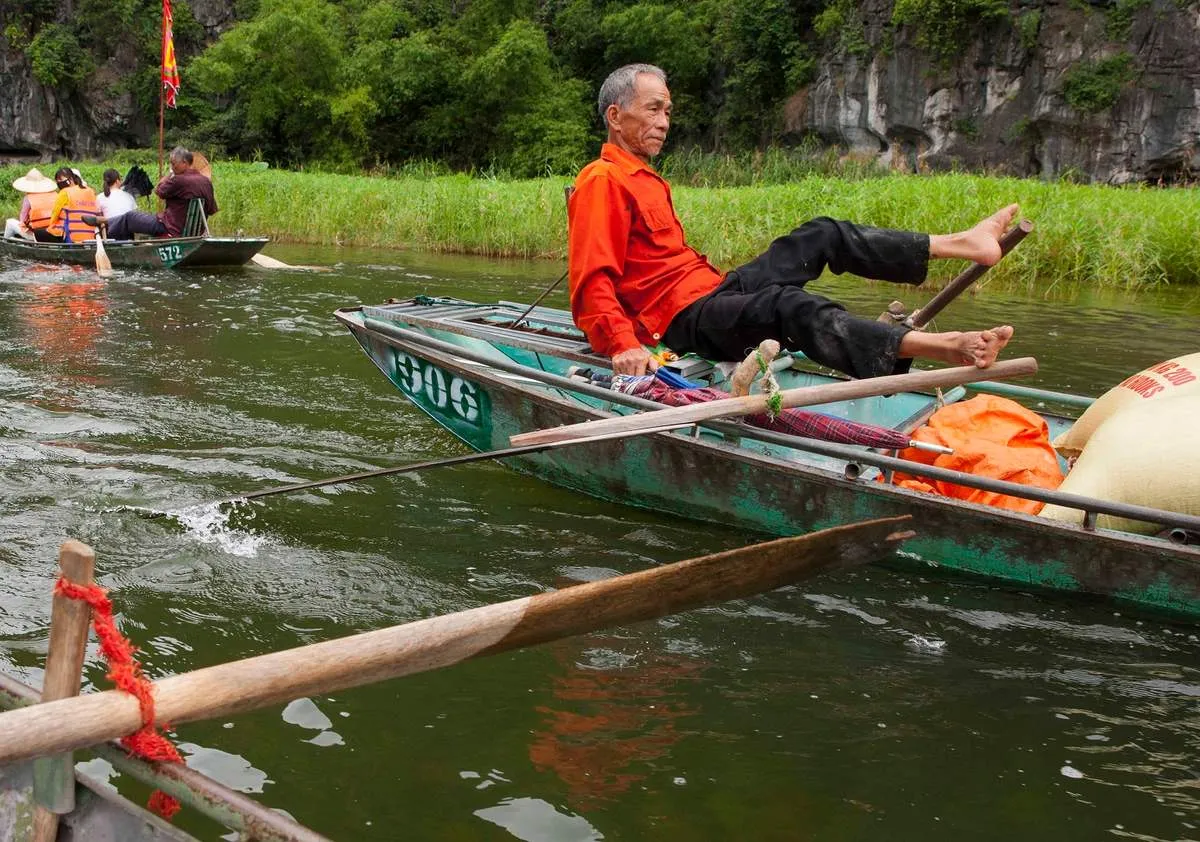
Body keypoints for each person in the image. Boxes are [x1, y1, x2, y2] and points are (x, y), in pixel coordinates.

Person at [568, 63, 1017, 379]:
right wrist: (623, 344)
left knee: (821, 234)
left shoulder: (644, 178)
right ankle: (946, 346)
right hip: (678, 321)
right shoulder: (602, 180)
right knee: (785, 305)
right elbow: (591, 282)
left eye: (667, 111)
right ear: (615, 116)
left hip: (711, 292)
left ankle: (964, 242)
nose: (664, 122)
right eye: (653, 110)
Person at [103, 147, 217, 240]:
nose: (172, 167)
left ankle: (105, 223)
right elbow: (211, 210)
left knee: (130, 217)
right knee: (137, 217)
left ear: (184, 162)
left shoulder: (179, 180)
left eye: (173, 164)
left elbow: (159, 191)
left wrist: (169, 175)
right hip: (193, 232)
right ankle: (107, 221)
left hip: (169, 227)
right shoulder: (207, 182)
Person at [3, 167, 58, 241]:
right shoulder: (55, 195)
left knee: (10, 222)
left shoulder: (28, 198)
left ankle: (5, 244)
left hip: (37, 236)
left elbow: (23, 221)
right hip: (55, 233)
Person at [46, 167, 99, 243]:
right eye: (58, 182)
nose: (60, 184)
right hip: (92, 236)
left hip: (72, 238)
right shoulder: (91, 191)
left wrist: (50, 227)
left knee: (39, 233)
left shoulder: (65, 192)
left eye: (61, 181)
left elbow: (54, 216)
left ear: (70, 180)